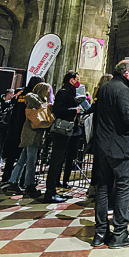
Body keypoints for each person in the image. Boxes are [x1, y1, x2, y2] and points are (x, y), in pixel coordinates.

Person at [92, 59, 129, 249]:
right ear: (127, 73)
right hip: (120, 147)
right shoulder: (122, 89)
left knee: (104, 188)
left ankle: (100, 232)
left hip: (104, 146)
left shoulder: (105, 87)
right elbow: (128, 116)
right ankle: (120, 233)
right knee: (123, 188)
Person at [43, 71, 84, 203]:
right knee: (56, 161)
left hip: (66, 130)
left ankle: (53, 190)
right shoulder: (64, 91)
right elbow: (58, 109)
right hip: (61, 130)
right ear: (71, 80)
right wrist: (74, 110)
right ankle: (50, 193)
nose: (78, 81)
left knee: (59, 161)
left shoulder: (69, 91)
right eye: (76, 79)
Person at [8, 82, 51, 197]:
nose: (48, 92)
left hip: (33, 134)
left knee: (22, 159)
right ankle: (30, 185)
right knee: (31, 161)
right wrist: (42, 104)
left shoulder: (42, 101)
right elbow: (29, 96)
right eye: (46, 90)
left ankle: (13, 181)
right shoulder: (34, 99)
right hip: (31, 134)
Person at [1, 76, 41, 191]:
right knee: (26, 157)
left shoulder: (21, 95)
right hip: (26, 128)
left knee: (14, 156)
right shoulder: (32, 97)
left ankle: (7, 178)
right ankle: (25, 181)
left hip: (15, 128)